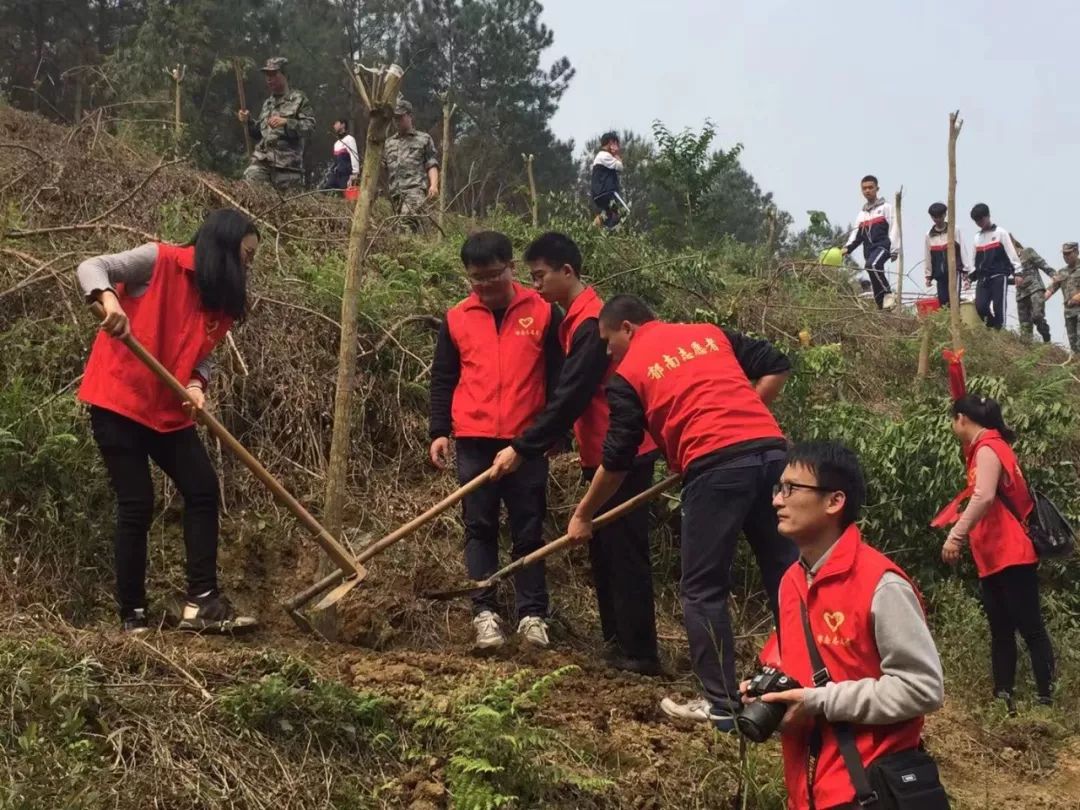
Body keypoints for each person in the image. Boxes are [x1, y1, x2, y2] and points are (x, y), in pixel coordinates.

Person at [565, 294, 797, 728]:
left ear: (628, 328)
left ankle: (722, 706)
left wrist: (584, 514)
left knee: (703, 589)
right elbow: (777, 362)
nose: (607, 351)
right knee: (788, 575)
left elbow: (616, 460)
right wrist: (743, 412)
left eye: (608, 340)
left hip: (715, 469)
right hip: (772, 457)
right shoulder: (707, 334)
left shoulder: (628, 374)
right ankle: (810, 686)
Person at [76, 209, 260, 634]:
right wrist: (109, 300)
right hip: (118, 401)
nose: (248, 265)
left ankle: (201, 603)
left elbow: (204, 355)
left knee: (202, 489)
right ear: (224, 245)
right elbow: (92, 267)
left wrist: (197, 385)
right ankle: (133, 614)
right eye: (246, 254)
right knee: (137, 502)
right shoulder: (159, 261)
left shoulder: (220, 305)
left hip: (167, 412)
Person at [489, 232, 662, 675]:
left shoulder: (591, 323)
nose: (537, 286)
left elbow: (570, 397)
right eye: (532, 277)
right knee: (604, 551)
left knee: (624, 552)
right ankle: (617, 646)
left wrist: (523, 447)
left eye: (541, 276)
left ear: (568, 271)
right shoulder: (573, 321)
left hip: (624, 454)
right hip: (599, 452)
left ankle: (639, 653)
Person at [746, 441, 944, 810]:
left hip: (868, 787)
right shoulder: (792, 580)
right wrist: (765, 691)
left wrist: (820, 700)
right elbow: (794, 665)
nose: (777, 500)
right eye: (778, 488)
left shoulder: (881, 583)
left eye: (792, 489)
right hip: (808, 788)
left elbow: (924, 688)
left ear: (834, 501)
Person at [428, 231, 563, 649]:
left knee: (528, 529)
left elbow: (560, 379)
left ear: (511, 268)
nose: (484, 286)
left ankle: (532, 615)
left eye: (492, 276)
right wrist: (438, 430)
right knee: (479, 527)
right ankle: (484, 612)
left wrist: (553, 432)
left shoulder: (544, 313)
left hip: (526, 443)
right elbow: (444, 377)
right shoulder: (457, 318)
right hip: (474, 440)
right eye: (475, 278)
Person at [934, 395, 1055, 713]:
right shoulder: (987, 446)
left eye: (952, 420)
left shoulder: (988, 448)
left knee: (1029, 628)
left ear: (961, 419)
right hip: (994, 556)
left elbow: (984, 495)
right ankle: (1004, 698)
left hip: (1011, 553)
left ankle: (1045, 699)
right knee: (1001, 629)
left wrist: (955, 535)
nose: (952, 426)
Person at [238, 57, 315, 191]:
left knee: (287, 208)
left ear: (284, 75)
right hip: (263, 162)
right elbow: (260, 132)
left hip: (288, 168)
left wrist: (287, 122)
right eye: (267, 75)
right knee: (251, 185)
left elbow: (309, 128)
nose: (269, 79)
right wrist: (248, 121)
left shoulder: (299, 99)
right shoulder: (268, 103)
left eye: (273, 74)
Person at [840, 175, 898, 310]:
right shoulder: (862, 214)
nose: (867, 191)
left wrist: (895, 248)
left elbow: (895, 227)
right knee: (873, 272)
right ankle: (882, 306)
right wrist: (847, 249)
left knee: (872, 265)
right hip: (869, 250)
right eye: (864, 188)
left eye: (870, 187)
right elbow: (856, 235)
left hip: (884, 245)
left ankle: (889, 295)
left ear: (877, 188)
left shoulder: (886, 208)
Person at [383, 99, 439, 231]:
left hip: (415, 191)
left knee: (405, 224)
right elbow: (382, 167)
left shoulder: (423, 139)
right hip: (395, 195)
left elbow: (431, 164)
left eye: (400, 117)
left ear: (409, 116)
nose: (397, 121)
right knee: (412, 231)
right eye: (395, 118)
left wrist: (434, 185)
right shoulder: (389, 143)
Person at [969, 203, 1022, 330]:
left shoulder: (1000, 233)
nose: (979, 222)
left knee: (999, 306)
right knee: (980, 306)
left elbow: (1011, 253)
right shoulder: (977, 237)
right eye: (976, 221)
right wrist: (971, 275)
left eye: (981, 219)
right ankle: (992, 326)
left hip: (999, 275)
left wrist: (1018, 272)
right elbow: (974, 258)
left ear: (988, 216)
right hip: (983, 277)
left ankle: (1000, 332)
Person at [923, 202, 971, 307]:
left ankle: (956, 322)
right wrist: (928, 275)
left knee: (954, 300)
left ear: (945, 215)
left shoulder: (954, 229)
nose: (937, 219)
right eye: (934, 217)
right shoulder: (929, 235)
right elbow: (928, 256)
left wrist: (965, 271)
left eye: (939, 216)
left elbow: (962, 249)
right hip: (940, 274)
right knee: (943, 301)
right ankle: (947, 322)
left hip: (954, 271)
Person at [1012, 239, 1053, 343]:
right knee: (1025, 327)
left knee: (1037, 315)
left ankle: (1045, 334)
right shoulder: (1009, 261)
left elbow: (1043, 264)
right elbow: (1011, 279)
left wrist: (1054, 275)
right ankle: (1027, 351)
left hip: (1035, 289)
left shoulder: (1027, 252)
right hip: (1021, 295)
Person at [1045, 241, 1080, 353]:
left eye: (1068, 253)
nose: (1066, 256)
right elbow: (1051, 289)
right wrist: (1038, 300)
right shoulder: (1062, 272)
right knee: (1074, 346)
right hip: (1069, 313)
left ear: (1076, 252)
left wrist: (1077, 297)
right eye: (1064, 254)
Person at [590, 132, 624, 230]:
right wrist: (616, 154)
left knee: (604, 215)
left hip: (600, 193)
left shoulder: (601, 156)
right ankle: (606, 232)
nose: (617, 146)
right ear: (611, 142)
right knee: (619, 214)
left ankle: (594, 231)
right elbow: (620, 167)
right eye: (616, 143)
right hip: (606, 193)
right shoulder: (604, 155)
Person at [319, 118, 359, 192]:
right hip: (336, 173)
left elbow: (354, 156)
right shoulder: (336, 143)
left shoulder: (349, 139)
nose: (334, 125)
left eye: (336, 123)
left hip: (346, 174)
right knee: (326, 190)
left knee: (344, 193)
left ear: (343, 125)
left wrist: (355, 173)